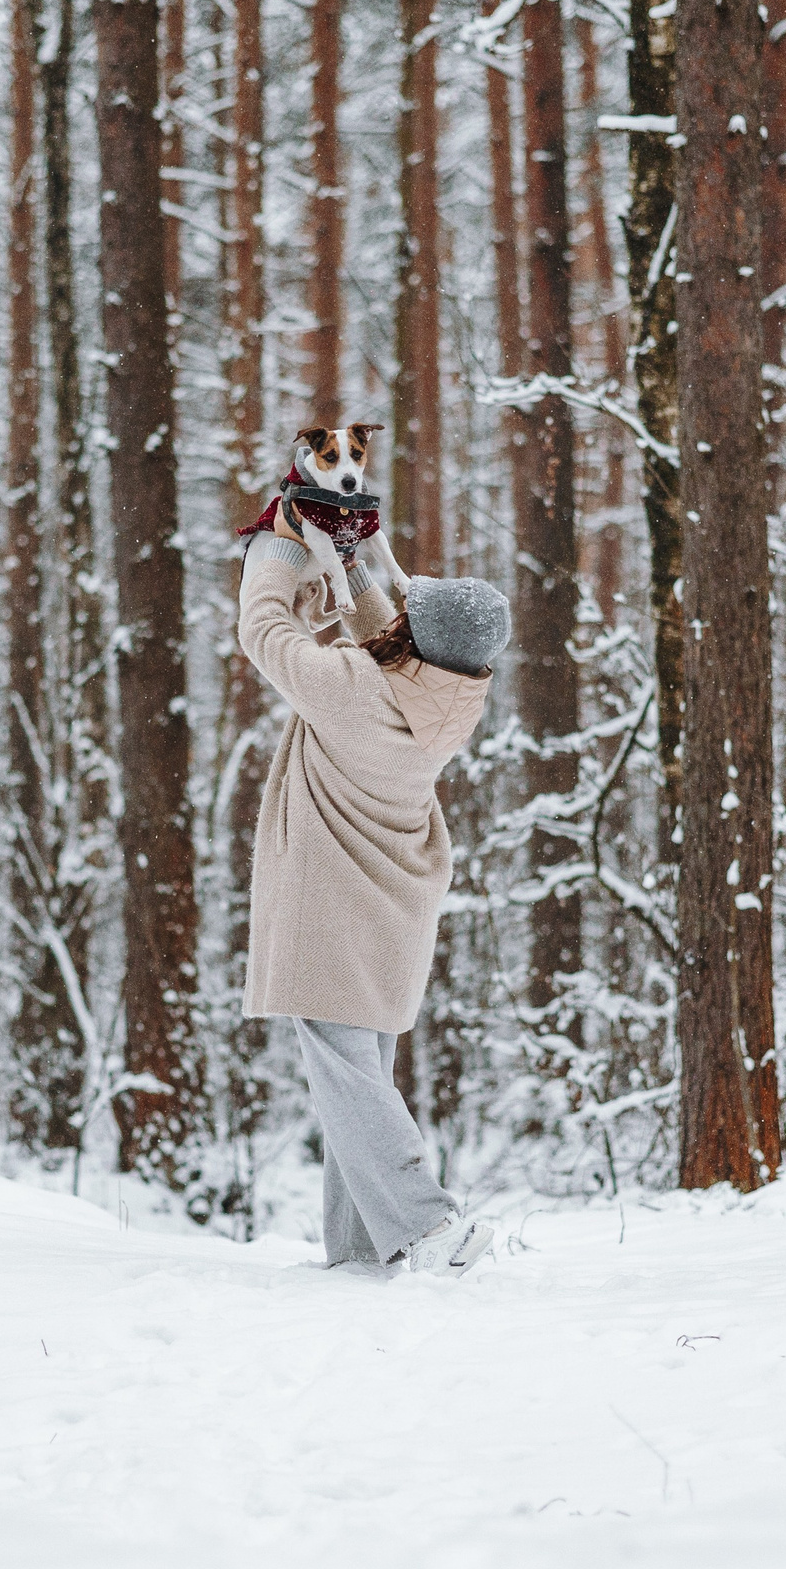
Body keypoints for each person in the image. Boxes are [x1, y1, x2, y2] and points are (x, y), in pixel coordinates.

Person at [236, 497, 511, 1278]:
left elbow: (265, 634)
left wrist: (281, 551)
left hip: (332, 903)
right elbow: (391, 634)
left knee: (346, 1071)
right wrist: (349, 560)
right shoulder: (451, 695)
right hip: (390, 907)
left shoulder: (357, 691)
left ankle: (425, 1225)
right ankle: (362, 1254)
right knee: (360, 1075)